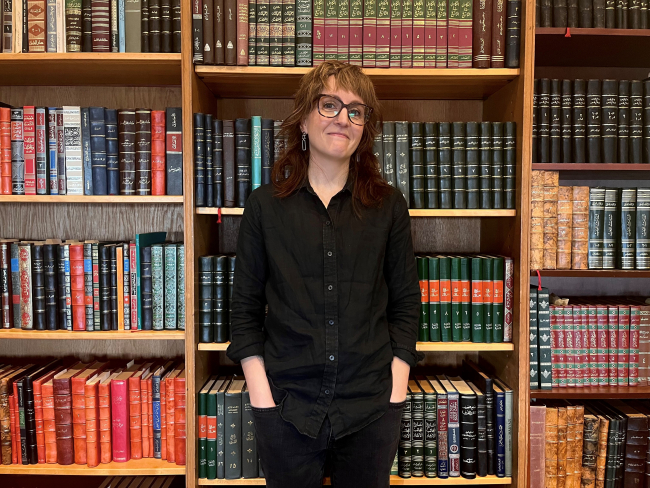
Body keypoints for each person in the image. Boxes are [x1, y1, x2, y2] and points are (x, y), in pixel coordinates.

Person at [226, 60, 422, 488]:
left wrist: (396, 392)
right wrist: (262, 399)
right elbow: (244, 311)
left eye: (356, 110)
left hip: (372, 408)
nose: (343, 119)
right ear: (303, 119)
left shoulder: (388, 206)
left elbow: (406, 304)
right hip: (285, 408)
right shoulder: (264, 207)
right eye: (329, 105)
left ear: (364, 129)